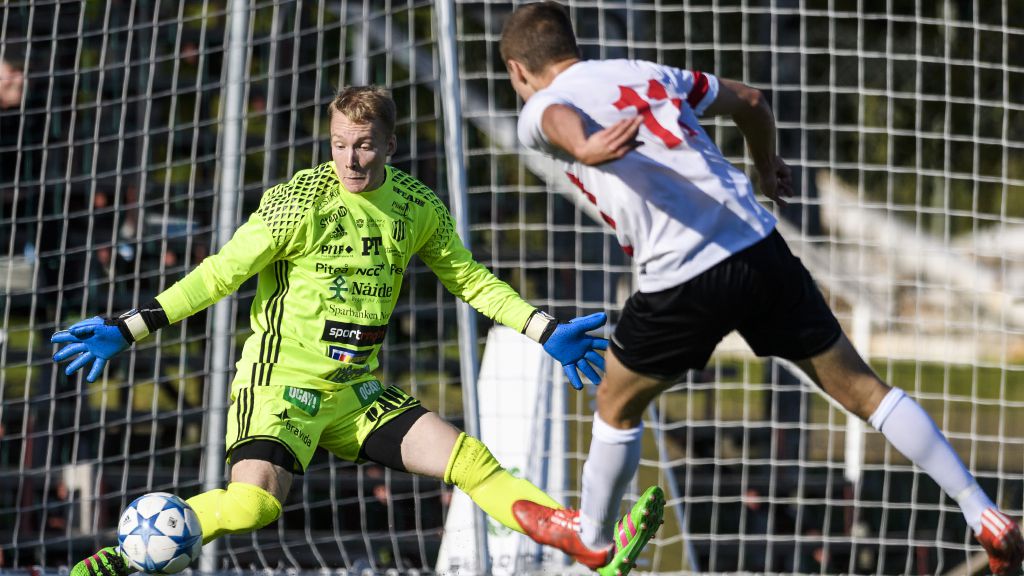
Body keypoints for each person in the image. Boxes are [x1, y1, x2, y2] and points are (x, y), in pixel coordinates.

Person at [498, 3, 1024, 575]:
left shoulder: (542, 104)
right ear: (572, 44)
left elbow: (555, 122)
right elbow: (749, 100)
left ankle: (594, 538)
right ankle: (983, 513)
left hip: (683, 275)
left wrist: (586, 148)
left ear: (517, 70)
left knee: (615, 404)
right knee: (867, 394)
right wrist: (766, 164)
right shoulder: (644, 72)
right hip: (758, 247)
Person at [51, 85, 663, 576]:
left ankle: (588, 545)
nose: (349, 159)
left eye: (364, 145)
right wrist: (130, 327)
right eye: (340, 144)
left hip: (355, 394)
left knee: (469, 459)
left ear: (389, 145)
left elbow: (471, 281)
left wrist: (542, 328)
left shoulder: (416, 206)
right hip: (279, 385)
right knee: (255, 505)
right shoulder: (299, 202)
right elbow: (219, 275)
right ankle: (127, 557)